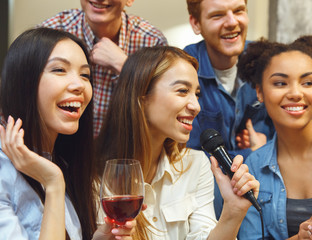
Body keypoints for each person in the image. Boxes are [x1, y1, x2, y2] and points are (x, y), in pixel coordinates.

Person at [96, 45, 260, 239]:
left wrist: (233, 212)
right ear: (142, 98)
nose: (196, 106)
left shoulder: (195, 164)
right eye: (182, 91)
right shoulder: (94, 174)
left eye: (196, 94)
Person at [0, 27, 136, 240]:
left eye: (85, 75)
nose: (79, 85)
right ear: (23, 81)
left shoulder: (65, 162)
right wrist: (53, 182)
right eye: (59, 70)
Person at [237, 35, 312, 239]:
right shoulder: (254, 167)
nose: (295, 93)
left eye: (307, 82)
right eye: (280, 83)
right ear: (259, 91)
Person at [40, 0, 167, 137]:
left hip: (127, 152)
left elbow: (163, 113)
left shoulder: (153, 42)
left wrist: (125, 66)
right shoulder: (50, 32)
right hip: (61, 150)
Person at [184, 0, 274, 158]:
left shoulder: (267, 60)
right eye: (217, 15)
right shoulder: (184, 70)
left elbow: (290, 138)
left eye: (239, 11)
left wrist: (267, 143)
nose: (232, 22)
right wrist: (255, 153)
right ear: (196, 23)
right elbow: (189, 157)